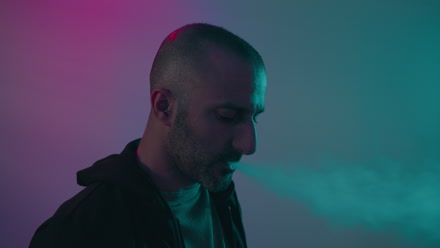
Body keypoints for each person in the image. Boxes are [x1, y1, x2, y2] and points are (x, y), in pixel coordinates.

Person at [29, 23, 267, 248]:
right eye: (227, 116)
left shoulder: (219, 195)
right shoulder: (79, 230)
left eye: (254, 116)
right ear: (164, 107)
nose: (248, 145)